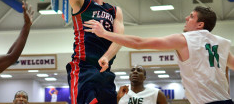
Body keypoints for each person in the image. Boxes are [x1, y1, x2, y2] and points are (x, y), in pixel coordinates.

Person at [84, 6, 234, 104]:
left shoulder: (184, 39)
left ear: (200, 24)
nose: (186, 19)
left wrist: (104, 33)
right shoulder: (222, 43)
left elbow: (138, 43)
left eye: (191, 16)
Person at [38, 0, 125, 104]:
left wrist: (106, 57)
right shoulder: (81, 3)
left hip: (104, 69)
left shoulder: (114, 11)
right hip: (83, 67)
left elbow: (119, 39)